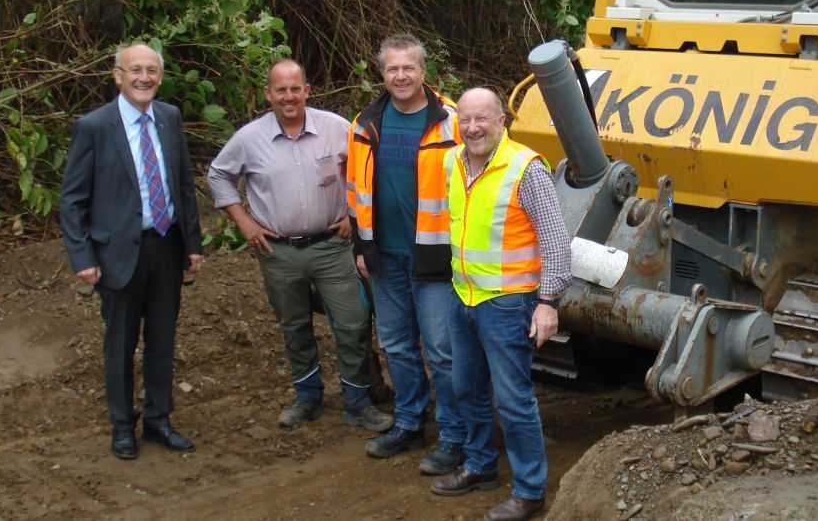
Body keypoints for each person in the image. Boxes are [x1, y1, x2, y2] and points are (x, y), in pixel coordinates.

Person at [207, 59, 393, 433]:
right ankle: (307, 397)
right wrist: (243, 221)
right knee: (294, 325)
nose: (289, 97)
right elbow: (218, 174)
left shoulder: (336, 129)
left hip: (333, 246)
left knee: (353, 321)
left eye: (296, 89)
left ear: (307, 90)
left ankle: (357, 401)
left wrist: (352, 216)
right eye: (281, 90)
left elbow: (371, 168)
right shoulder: (249, 138)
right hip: (279, 251)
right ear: (268, 94)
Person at [431, 88, 572, 521]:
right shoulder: (452, 162)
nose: (473, 128)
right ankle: (480, 465)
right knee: (466, 388)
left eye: (482, 120)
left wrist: (547, 302)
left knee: (513, 400)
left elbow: (556, 241)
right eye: (466, 120)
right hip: (464, 297)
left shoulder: (524, 169)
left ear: (501, 122)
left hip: (509, 304)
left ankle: (530, 491)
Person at [60, 43, 203, 460]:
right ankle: (123, 424)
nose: (144, 78)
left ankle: (159, 420)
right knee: (120, 344)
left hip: (167, 245)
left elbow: (183, 185)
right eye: (135, 70)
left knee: (162, 340)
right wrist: (82, 257)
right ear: (117, 75)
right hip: (118, 253)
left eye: (152, 70)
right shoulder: (93, 127)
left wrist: (192, 245)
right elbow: (72, 200)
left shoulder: (170, 118)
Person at [347, 33, 466, 474]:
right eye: (392, 69)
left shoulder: (451, 120)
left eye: (409, 68)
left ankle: (454, 435)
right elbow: (355, 190)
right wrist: (362, 244)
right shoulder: (365, 123)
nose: (401, 76)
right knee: (397, 345)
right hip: (385, 257)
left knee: (442, 351)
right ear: (382, 73)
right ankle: (410, 422)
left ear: (423, 71)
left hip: (436, 257)